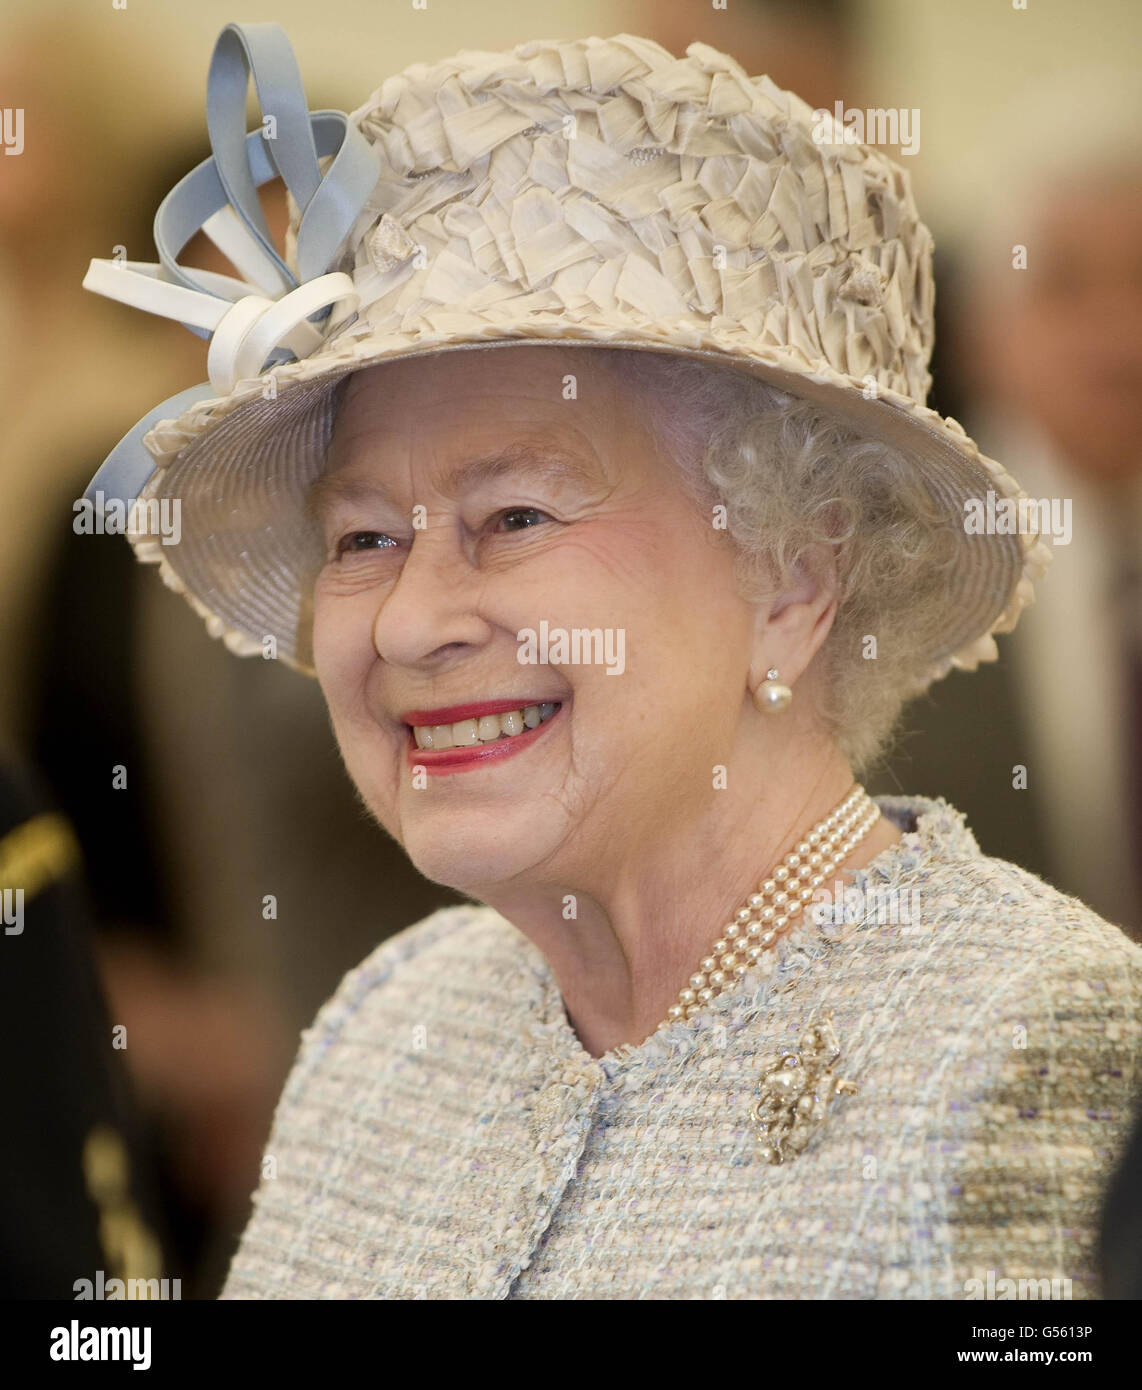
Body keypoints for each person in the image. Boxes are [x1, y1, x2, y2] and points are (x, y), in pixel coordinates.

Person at [80, 22, 1142, 1299]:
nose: (411, 621)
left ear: (791, 579)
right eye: (363, 536)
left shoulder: (1033, 1035)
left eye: (514, 518)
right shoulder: (389, 1024)